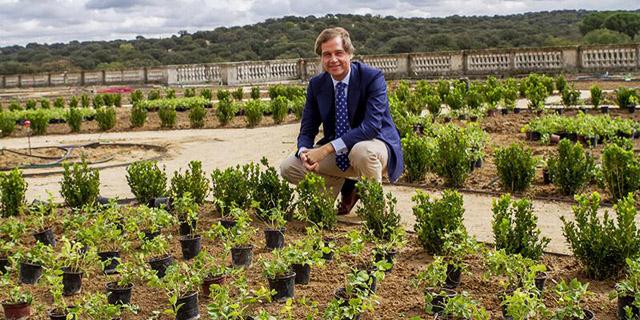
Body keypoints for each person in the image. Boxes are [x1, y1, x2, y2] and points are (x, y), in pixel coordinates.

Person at [279, 27, 404, 215]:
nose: (333, 59)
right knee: (289, 167)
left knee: (361, 150)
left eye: (339, 53)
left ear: (350, 54)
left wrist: (326, 149)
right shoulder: (317, 85)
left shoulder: (372, 77)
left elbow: (370, 127)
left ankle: (377, 212)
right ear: (320, 58)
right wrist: (304, 151)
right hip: (340, 154)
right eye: (326, 54)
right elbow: (307, 128)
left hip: (376, 147)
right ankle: (340, 184)